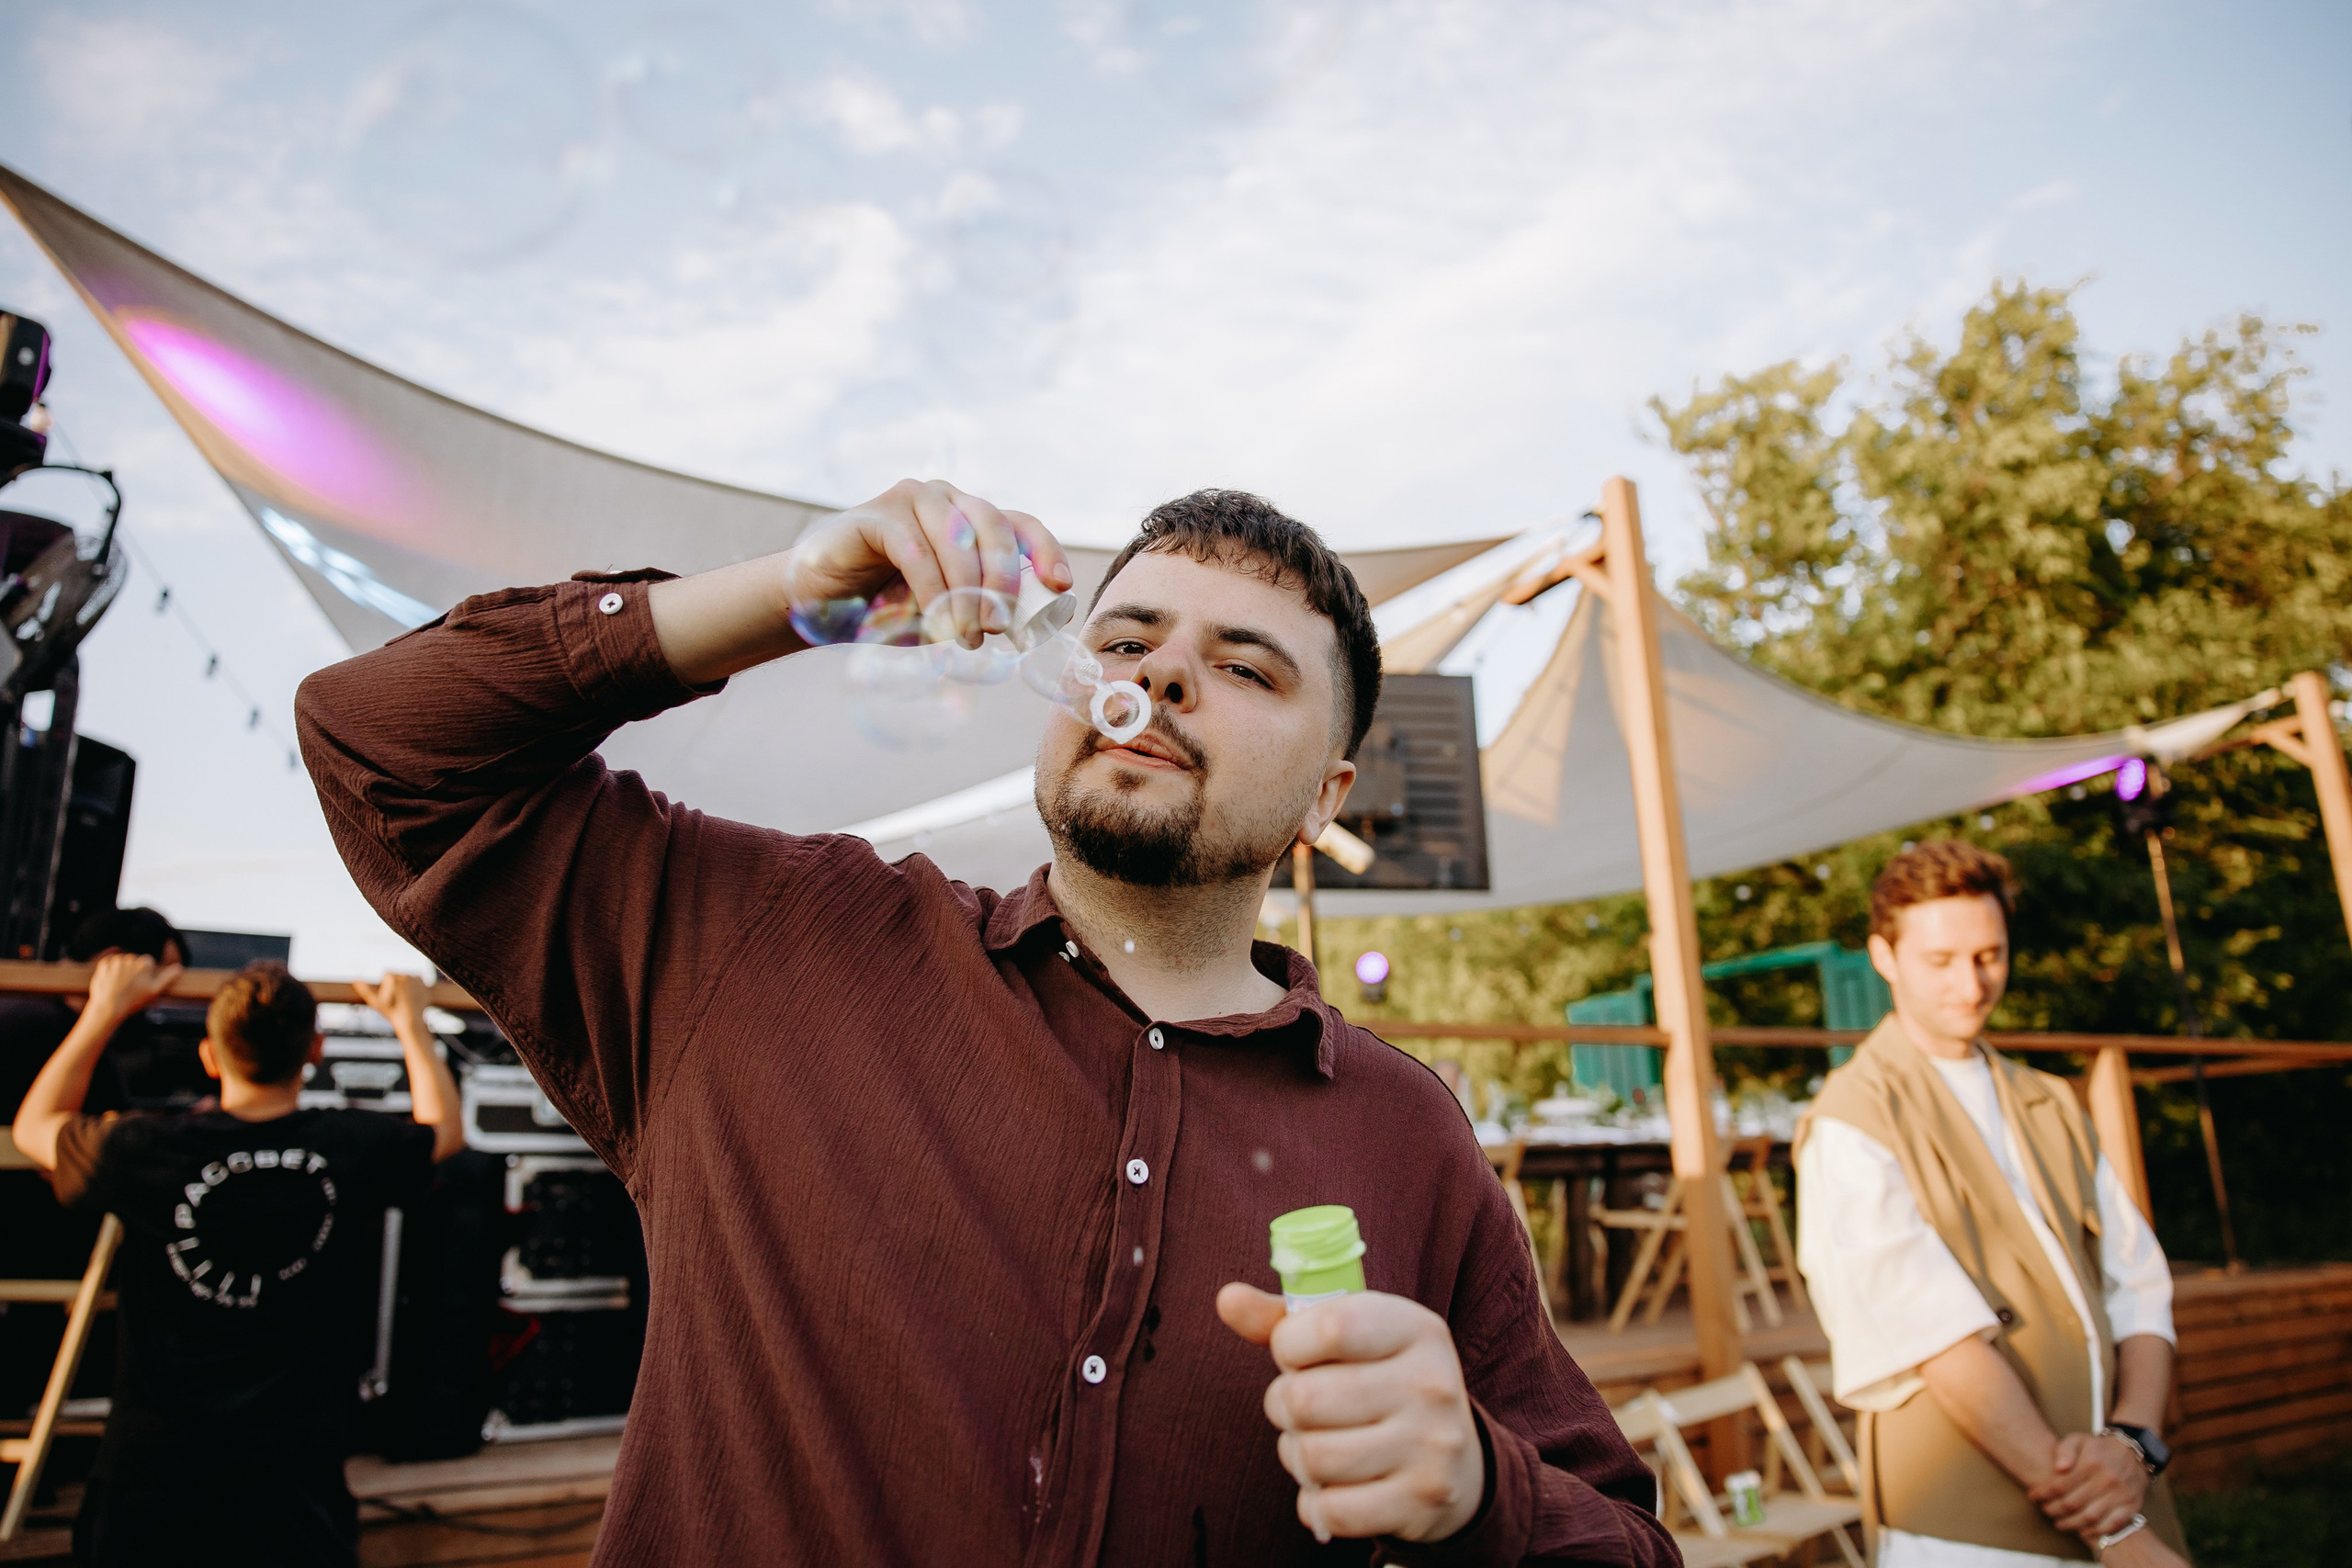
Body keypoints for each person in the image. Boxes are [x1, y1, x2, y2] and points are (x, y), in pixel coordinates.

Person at [294, 482, 1674, 1566]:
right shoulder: (771, 945)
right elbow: (382, 749)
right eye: (1129, 641)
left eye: (1246, 667)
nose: (1165, 674)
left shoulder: (1405, 1131)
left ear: (1328, 794)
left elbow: (1628, 1544)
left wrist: (1484, 1494)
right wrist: (785, 596)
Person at [1794, 841, 2189, 1567]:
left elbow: (2139, 1284)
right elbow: (1931, 1334)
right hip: (1971, 1533)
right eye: (1940, 961)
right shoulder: (1851, 1118)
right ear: (1885, 956)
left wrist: (2136, 1441)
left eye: (1989, 955)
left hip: (2122, 1490)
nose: (1971, 985)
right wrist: (2114, 1530)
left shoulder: (2050, 1100)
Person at [11, 960, 464, 1567]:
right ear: (315, 1050)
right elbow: (444, 1129)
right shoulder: (351, 1145)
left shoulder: (150, 1148)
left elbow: (33, 1125)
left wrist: (103, 1010)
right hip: (293, 1483)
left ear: (209, 1055)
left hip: (154, 1476)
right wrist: (411, 1023)